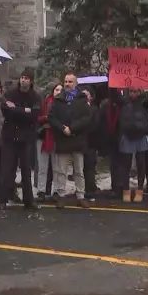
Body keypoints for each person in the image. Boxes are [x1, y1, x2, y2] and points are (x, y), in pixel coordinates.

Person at [48, 73, 93, 209]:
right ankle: (61, 196)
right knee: (61, 171)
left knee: (79, 171)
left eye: (70, 82)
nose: (67, 84)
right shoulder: (58, 99)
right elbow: (51, 117)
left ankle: (80, 196)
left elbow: (87, 118)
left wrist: (72, 128)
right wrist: (62, 128)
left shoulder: (81, 99)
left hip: (78, 139)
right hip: (63, 139)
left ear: (75, 83)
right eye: (66, 82)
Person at [0, 69, 41, 210]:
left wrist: (16, 109)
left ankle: (28, 200)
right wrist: (24, 110)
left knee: (26, 171)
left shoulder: (35, 96)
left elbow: (34, 115)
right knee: (7, 170)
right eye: (22, 77)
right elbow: (5, 110)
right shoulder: (10, 93)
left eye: (26, 78)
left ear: (31, 81)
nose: (23, 80)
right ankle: (3, 199)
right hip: (10, 136)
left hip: (26, 137)